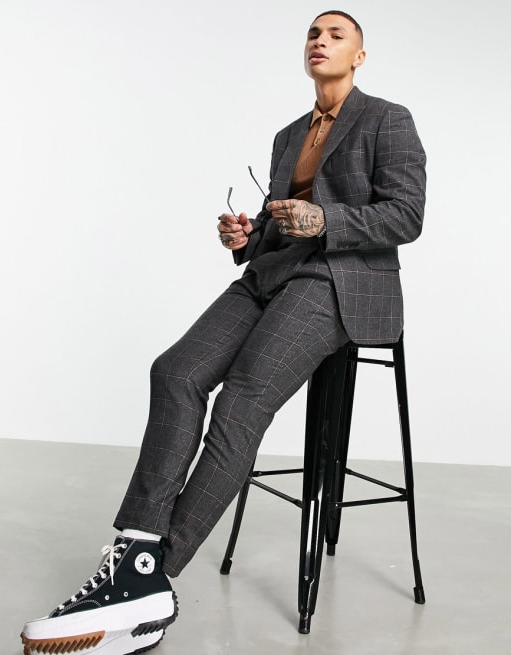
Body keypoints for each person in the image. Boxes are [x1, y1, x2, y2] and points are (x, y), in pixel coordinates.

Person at [21, 9, 426, 655]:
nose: (319, 42)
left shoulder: (386, 119)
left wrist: (324, 221)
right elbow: (276, 228)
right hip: (273, 275)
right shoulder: (288, 134)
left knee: (241, 399)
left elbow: (406, 215)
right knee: (175, 371)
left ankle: (152, 577)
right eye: (312, 34)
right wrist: (245, 237)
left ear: (359, 55)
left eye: (335, 35)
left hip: (339, 280)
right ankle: (138, 545)